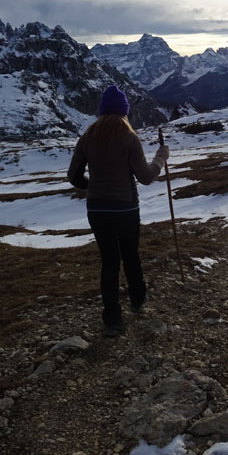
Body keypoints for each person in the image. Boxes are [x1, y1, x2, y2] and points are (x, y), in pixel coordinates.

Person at [67, 85, 170, 337]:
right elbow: (145, 177)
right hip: (125, 208)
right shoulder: (129, 137)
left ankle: (112, 318)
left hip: (97, 210)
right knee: (130, 255)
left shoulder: (87, 137)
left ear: (101, 112)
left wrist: (93, 188)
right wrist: (161, 157)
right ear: (125, 112)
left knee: (109, 261)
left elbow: (73, 176)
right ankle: (137, 300)